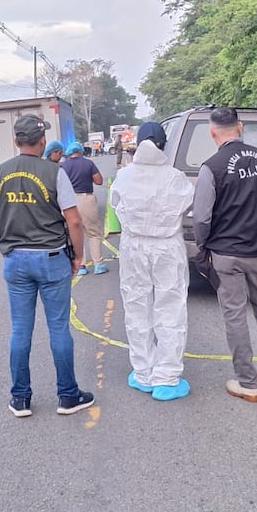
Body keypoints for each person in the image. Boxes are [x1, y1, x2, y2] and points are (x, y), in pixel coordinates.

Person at [0, 115, 96, 419]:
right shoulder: (54, 172)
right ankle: (68, 395)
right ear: (43, 142)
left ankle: (20, 398)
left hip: (16, 259)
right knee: (58, 327)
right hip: (51, 258)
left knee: (20, 329)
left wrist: (4, 249)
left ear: (15, 141)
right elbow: (74, 220)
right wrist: (78, 257)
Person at [193, 106, 257, 402]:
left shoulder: (211, 167)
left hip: (227, 253)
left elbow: (202, 217)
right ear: (241, 126)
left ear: (212, 132)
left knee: (235, 315)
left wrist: (203, 245)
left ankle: (247, 382)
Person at [109, 121, 194, 401]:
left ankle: (143, 372)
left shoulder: (124, 176)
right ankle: (167, 377)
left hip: (134, 245)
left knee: (136, 306)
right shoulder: (175, 177)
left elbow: (115, 204)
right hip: (167, 246)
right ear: (163, 146)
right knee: (171, 308)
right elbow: (187, 205)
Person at [60, 141, 107, 275]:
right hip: (87, 199)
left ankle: (81, 265)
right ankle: (98, 264)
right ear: (80, 151)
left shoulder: (63, 166)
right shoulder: (88, 164)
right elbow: (99, 181)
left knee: (75, 233)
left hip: (69, 202)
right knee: (93, 232)